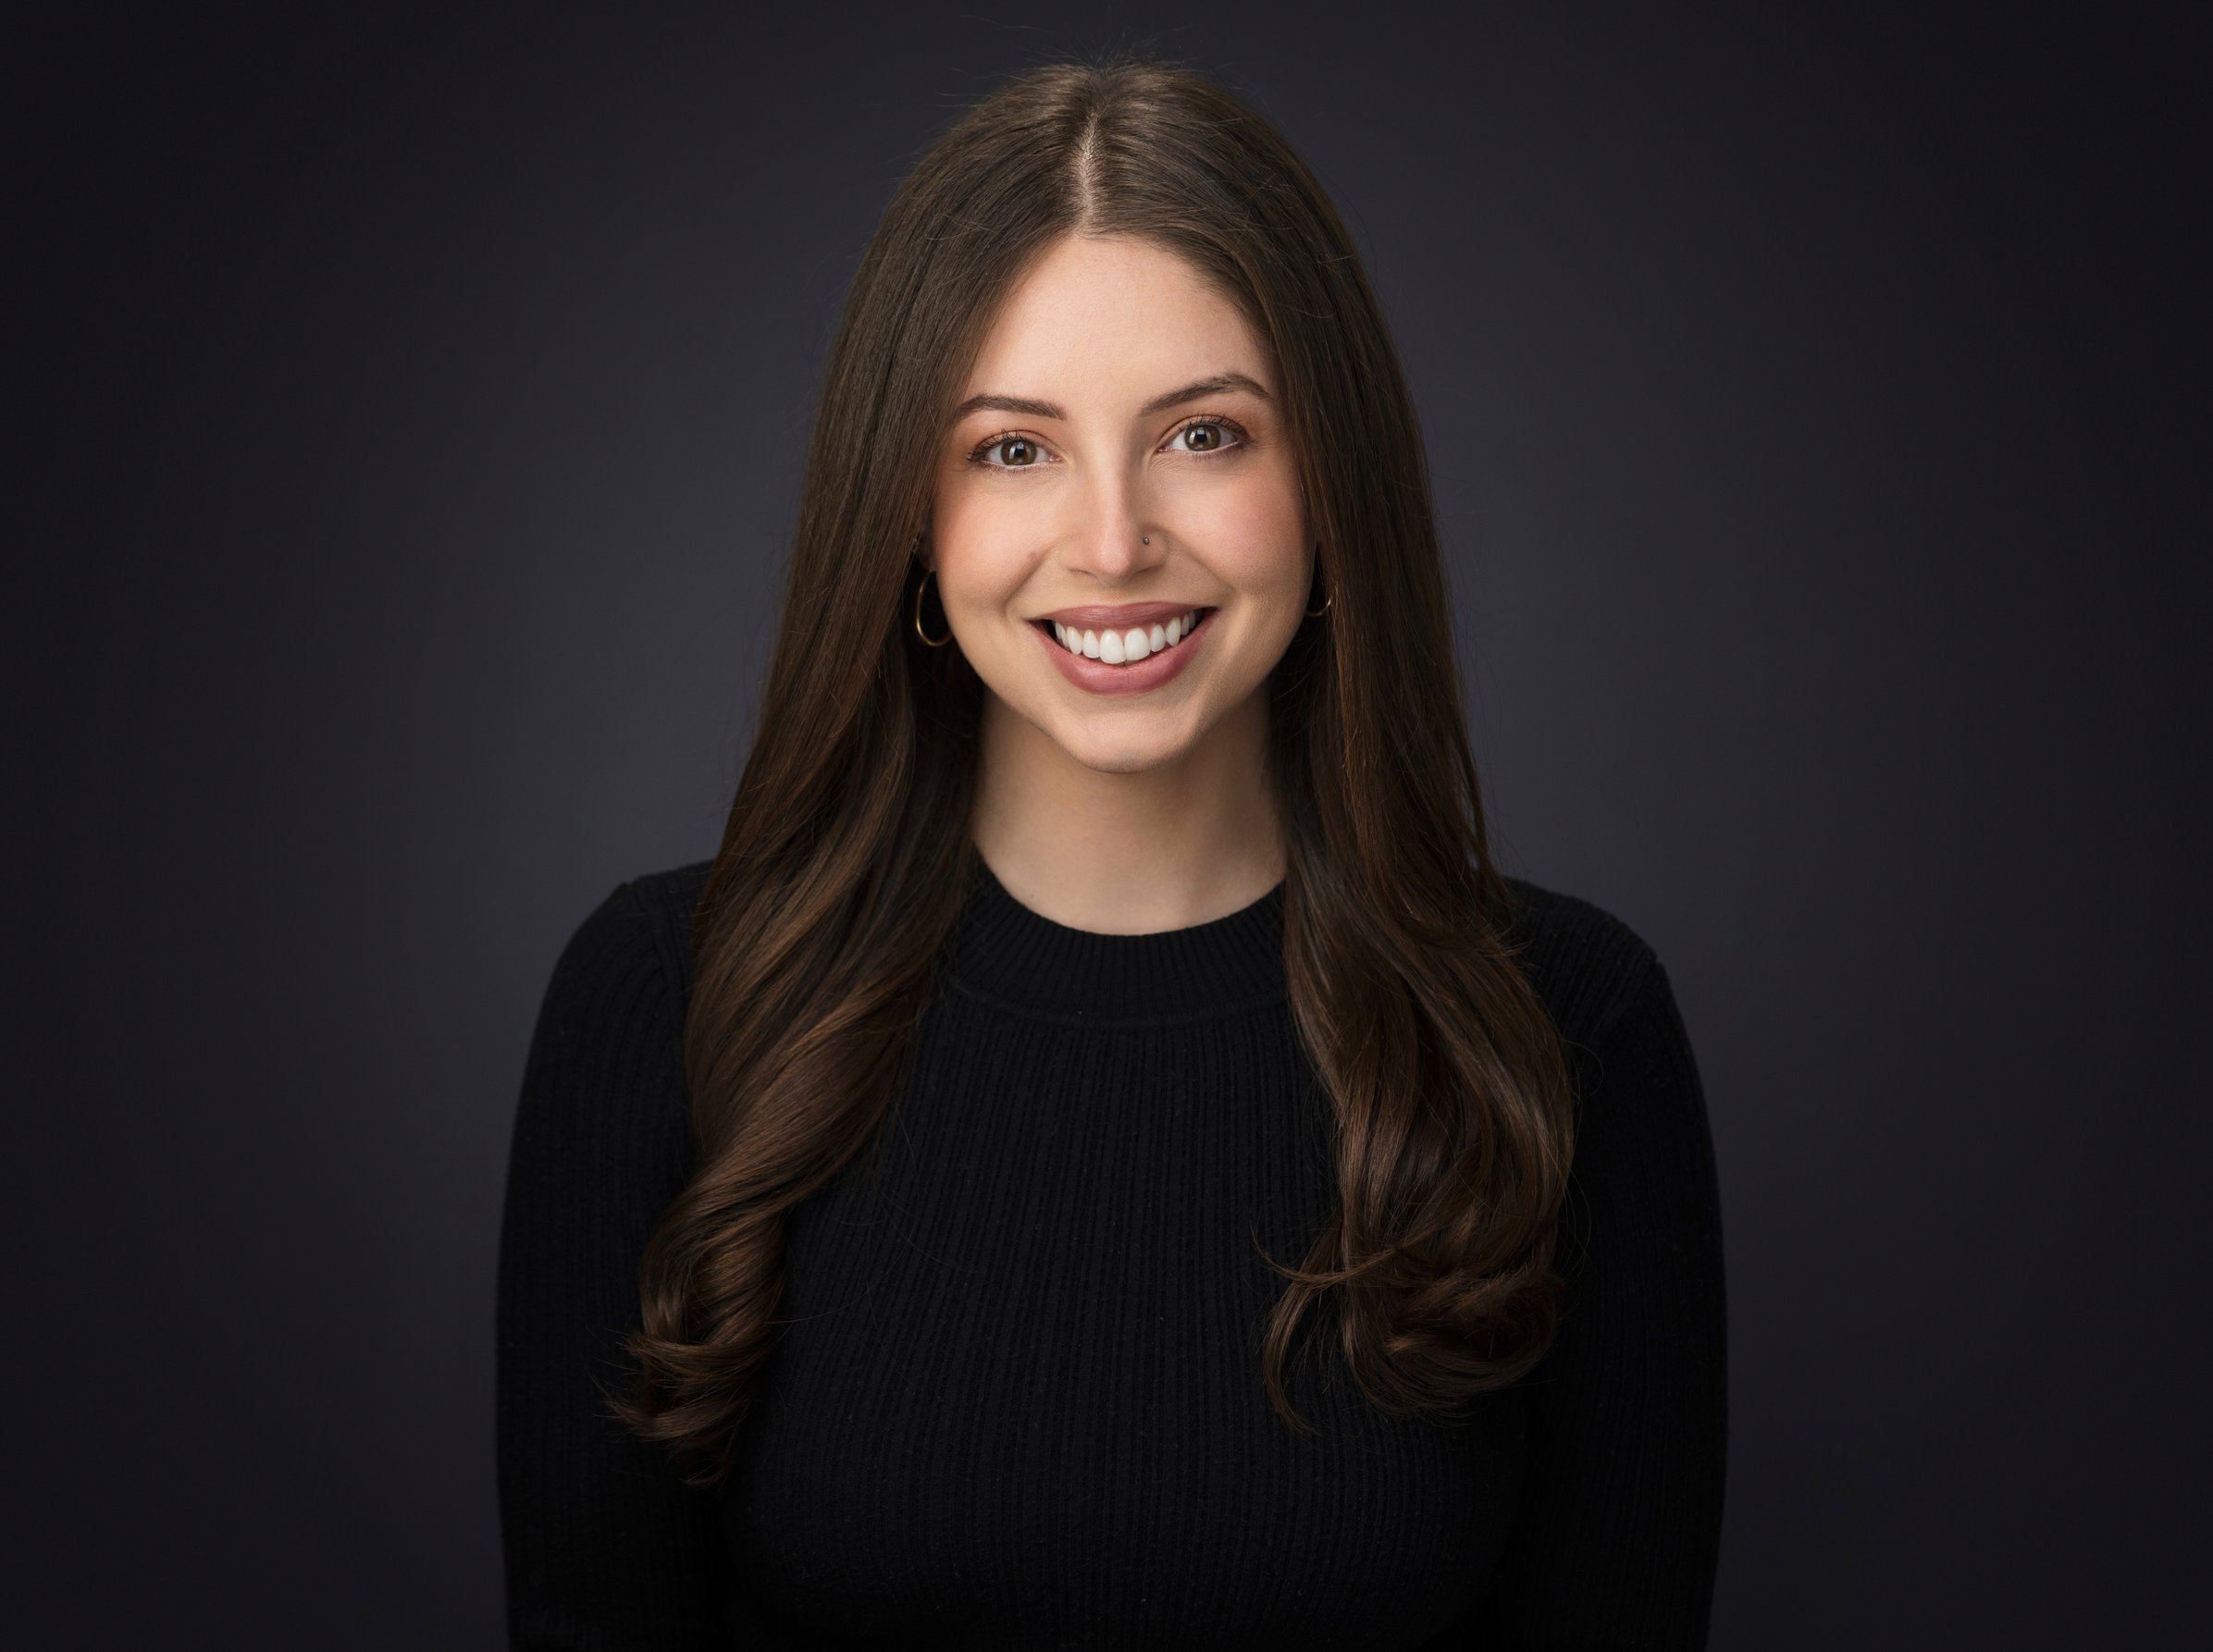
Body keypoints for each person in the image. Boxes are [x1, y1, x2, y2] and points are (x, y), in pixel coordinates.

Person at [497, 54, 1726, 1651]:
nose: (1113, 539)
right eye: (1014, 448)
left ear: (1332, 484)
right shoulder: (666, 1005)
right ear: (912, 522)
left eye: (1204, 435)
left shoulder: (1570, 1032)